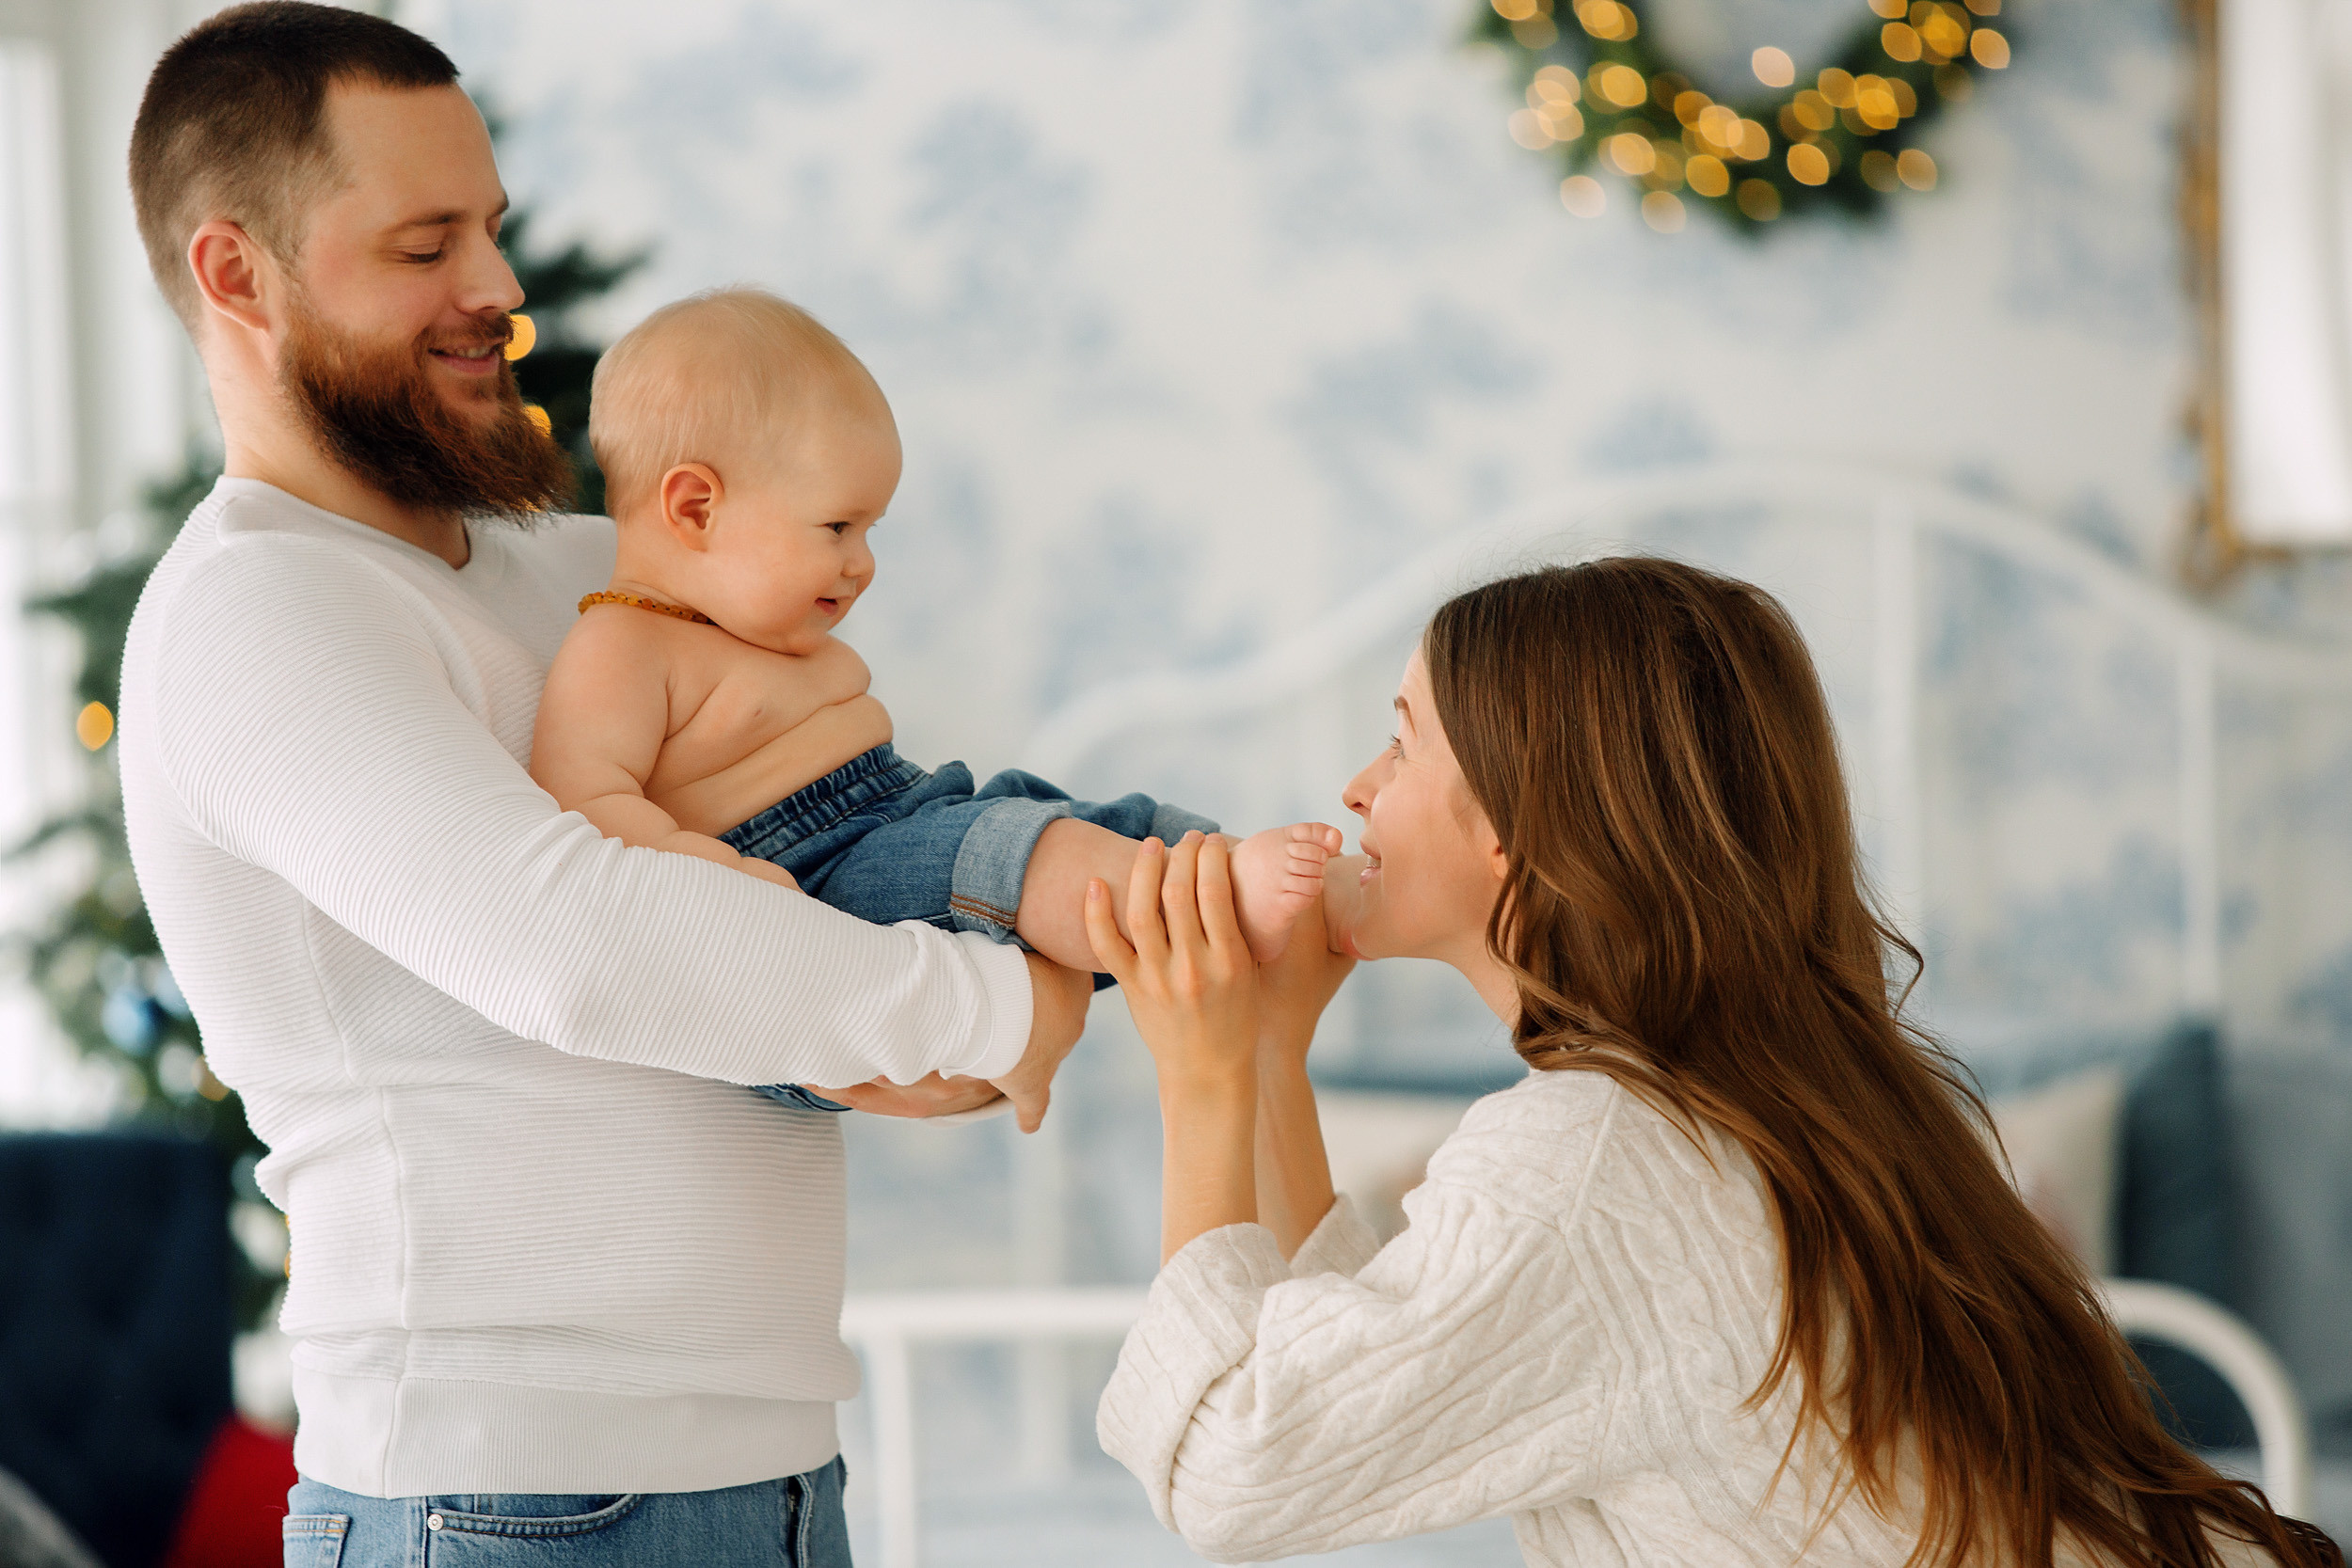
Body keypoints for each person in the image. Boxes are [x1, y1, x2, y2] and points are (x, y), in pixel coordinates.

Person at [116, 6, 1088, 1561]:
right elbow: (577, 942)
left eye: (489, 230)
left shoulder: (591, 578)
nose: (497, 293)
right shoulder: (258, 610)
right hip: (506, 1503)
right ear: (238, 274)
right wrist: (1000, 1006)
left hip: (769, 1472)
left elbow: (841, 834)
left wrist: (1016, 908)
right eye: (427, 245)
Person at [1089, 560, 2342, 1568]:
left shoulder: (1587, 1156)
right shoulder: (1759, 1097)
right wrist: (1270, 1057)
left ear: (1522, 833)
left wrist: (1195, 1079)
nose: (1361, 788)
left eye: (1405, 743)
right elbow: (1379, 1372)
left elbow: (1232, 1464)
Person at [528, 289, 1341, 1115]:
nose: (863, 563)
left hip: (899, 816)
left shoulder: (741, 623)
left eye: (870, 530)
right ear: (696, 508)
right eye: (839, 527)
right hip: (810, 884)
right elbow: (585, 804)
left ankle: (1222, 868)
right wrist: (728, 886)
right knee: (1014, 848)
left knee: (1061, 814)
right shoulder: (620, 647)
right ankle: (1218, 901)